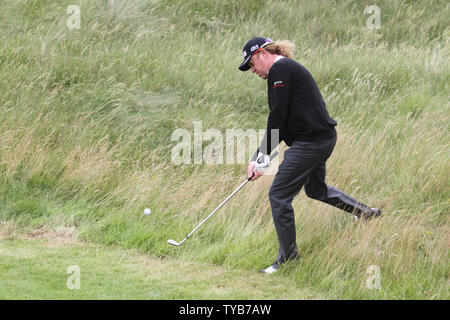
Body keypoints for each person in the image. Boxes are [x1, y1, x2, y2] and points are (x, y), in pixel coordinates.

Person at [239, 37, 382, 274]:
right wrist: (261, 157)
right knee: (316, 190)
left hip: (311, 143)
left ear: (262, 53)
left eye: (252, 64)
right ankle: (366, 213)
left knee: (278, 195)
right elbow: (282, 122)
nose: (252, 70)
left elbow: (277, 118)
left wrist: (261, 157)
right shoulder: (282, 70)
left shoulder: (281, 69)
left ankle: (288, 259)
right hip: (319, 139)